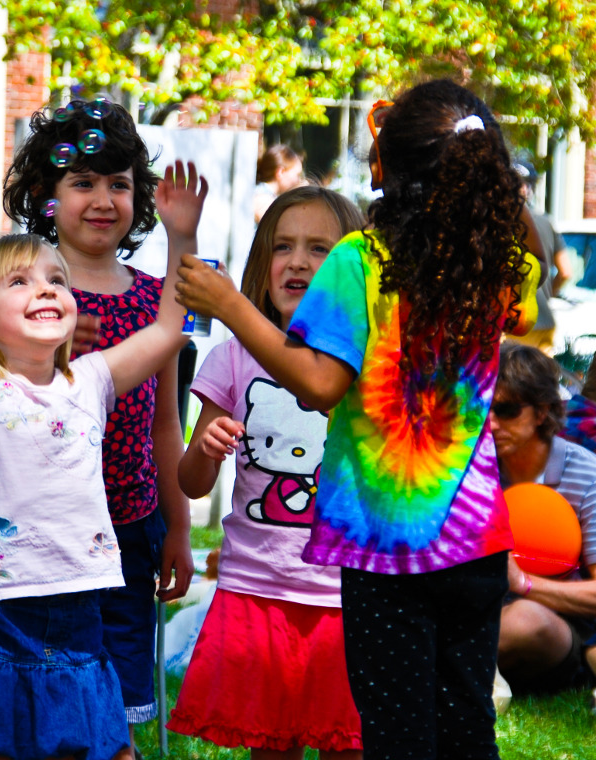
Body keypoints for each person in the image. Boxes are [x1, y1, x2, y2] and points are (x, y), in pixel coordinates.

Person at [175, 79, 543, 760]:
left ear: (383, 168)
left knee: (399, 735)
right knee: (465, 725)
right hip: (475, 538)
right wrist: (494, 178)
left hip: (382, 544)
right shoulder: (492, 262)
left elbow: (318, 384)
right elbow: (534, 262)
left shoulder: (358, 261)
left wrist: (230, 305)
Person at [0, 161, 205, 760]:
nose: (45, 288)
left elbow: (170, 328)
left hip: (78, 614)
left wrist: (182, 237)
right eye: (18, 282)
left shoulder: (92, 379)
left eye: (56, 280)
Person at [3, 98, 195, 753]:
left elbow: (165, 425)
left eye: (119, 182)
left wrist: (178, 529)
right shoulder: (18, 292)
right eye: (82, 181)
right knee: (44, 694)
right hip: (39, 532)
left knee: (111, 703)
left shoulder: (150, 298)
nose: (104, 198)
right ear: (45, 195)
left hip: (129, 530)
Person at [167, 185, 365, 760]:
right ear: (261, 264)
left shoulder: (362, 358)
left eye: (320, 249)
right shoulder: (230, 358)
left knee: (347, 747)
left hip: (344, 596)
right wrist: (204, 445)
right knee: (269, 747)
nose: (298, 261)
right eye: (283, 246)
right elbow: (192, 482)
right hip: (257, 589)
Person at [493, 341, 596, 694]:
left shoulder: (587, 475)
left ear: (542, 412)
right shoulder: (468, 467)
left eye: (505, 410)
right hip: (476, 608)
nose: (490, 424)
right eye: (481, 411)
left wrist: (523, 584)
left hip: (557, 625)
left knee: (524, 622)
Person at [509, 160, 572, 355]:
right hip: (545, 322)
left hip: (513, 323)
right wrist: (547, 294)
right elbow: (566, 272)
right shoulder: (546, 222)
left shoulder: (498, 221)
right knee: (542, 383)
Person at [254, 144, 305, 224]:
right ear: (280, 172)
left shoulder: (267, 196)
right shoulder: (262, 199)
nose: (299, 180)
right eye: (297, 175)